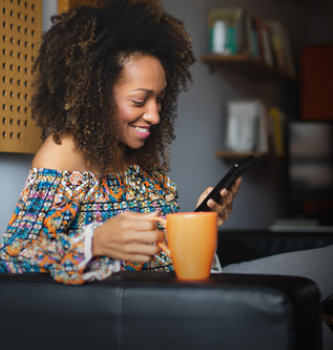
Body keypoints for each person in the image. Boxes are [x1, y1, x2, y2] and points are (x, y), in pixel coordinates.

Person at [0, 0, 332, 347]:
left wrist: (203, 218)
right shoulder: (65, 153)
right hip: (164, 306)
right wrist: (93, 243)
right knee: (316, 331)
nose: (155, 115)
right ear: (96, 96)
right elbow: (12, 256)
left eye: (159, 99)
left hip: (198, 281)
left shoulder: (139, 155)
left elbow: (166, 249)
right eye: (140, 100)